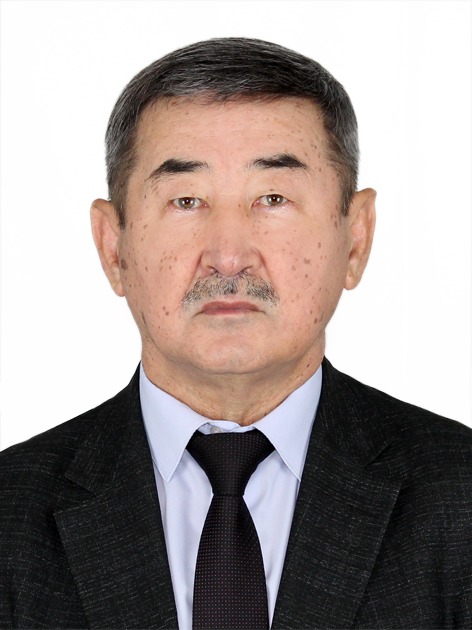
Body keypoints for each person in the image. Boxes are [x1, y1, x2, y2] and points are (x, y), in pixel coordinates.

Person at [1, 37, 471, 630]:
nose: (227, 256)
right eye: (186, 200)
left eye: (273, 198)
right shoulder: (11, 516)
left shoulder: (459, 497)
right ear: (113, 246)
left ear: (356, 238)